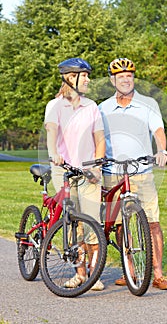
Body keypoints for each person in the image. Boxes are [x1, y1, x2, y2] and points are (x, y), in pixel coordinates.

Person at [99, 58, 167, 290]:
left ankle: (158, 274)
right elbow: (98, 137)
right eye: (120, 76)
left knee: (152, 222)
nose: (125, 80)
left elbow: (158, 130)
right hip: (112, 172)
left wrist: (162, 150)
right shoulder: (103, 108)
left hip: (141, 171)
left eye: (129, 76)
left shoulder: (148, 103)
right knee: (119, 225)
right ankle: (129, 271)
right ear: (113, 80)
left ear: (133, 78)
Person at [44, 57, 105, 291]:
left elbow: (99, 139)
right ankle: (80, 274)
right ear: (71, 78)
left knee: (93, 223)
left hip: (88, 171)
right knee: (74, 224)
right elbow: (52, 133)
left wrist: (97, 165)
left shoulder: (91, 107)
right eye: (84, 75)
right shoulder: (55, 106)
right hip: (65, 170)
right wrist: (53, 154)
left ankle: (94, 274)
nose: (88, 79)